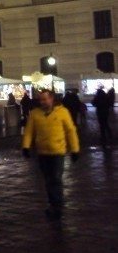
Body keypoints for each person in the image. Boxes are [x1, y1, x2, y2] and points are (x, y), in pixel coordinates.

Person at [22, 89, 79, 220]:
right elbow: (29, 131)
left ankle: (57, 205)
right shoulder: (35, 114)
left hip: (57, 151)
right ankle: (53, 203)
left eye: (45, 99)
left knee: (56, 179)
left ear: (51, 99)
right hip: (42, 153)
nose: (42, 102)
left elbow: (71, 131)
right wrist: (26, 146)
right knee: (48, 180)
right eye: (40, 99)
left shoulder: (62, 112)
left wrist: (75, 149)